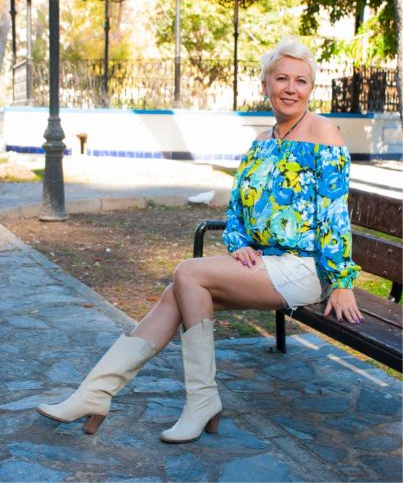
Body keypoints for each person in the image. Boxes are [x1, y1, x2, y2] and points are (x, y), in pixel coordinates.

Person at [36, 37, 363, 443]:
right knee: (179, 293)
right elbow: (239, 207)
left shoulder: (323, 132)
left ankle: (197, 401)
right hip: (263, 264)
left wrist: (344, 282)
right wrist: (239, 242)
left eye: (301, 81)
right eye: (281, 79)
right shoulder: (263, 142)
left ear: (310, 89)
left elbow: (334, 214)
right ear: (265, 85)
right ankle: (94, 394)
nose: (291, 88)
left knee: (187, 274)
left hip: (305, 268)